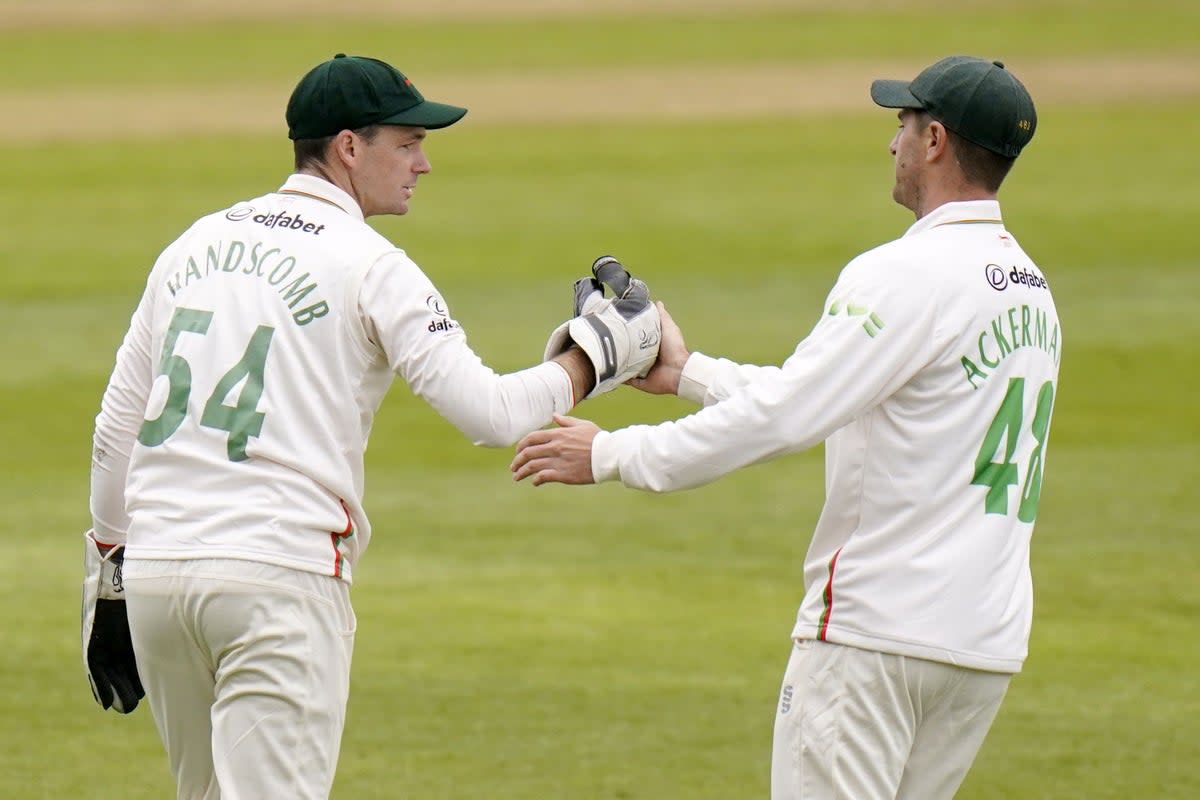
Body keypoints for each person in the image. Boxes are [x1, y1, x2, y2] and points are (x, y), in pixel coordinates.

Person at [80, 53, 659, 800]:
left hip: (159, 576)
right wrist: (596, 356)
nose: (424, 163)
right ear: (348, 147)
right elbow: (489, 413)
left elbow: (116, 428)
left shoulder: (191, 245)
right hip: (276, 577)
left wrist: (110, 583)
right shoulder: (372, 265)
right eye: (407, 142)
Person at [511, 55, 1060, 799]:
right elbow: (845, 399)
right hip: (979, 645)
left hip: (876, 634)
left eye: (902, 124)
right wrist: (690, 374)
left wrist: (612, 453)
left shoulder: (905, 272)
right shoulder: (1030, 291)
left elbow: (791, 414)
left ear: (935, 141)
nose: (890, 143)